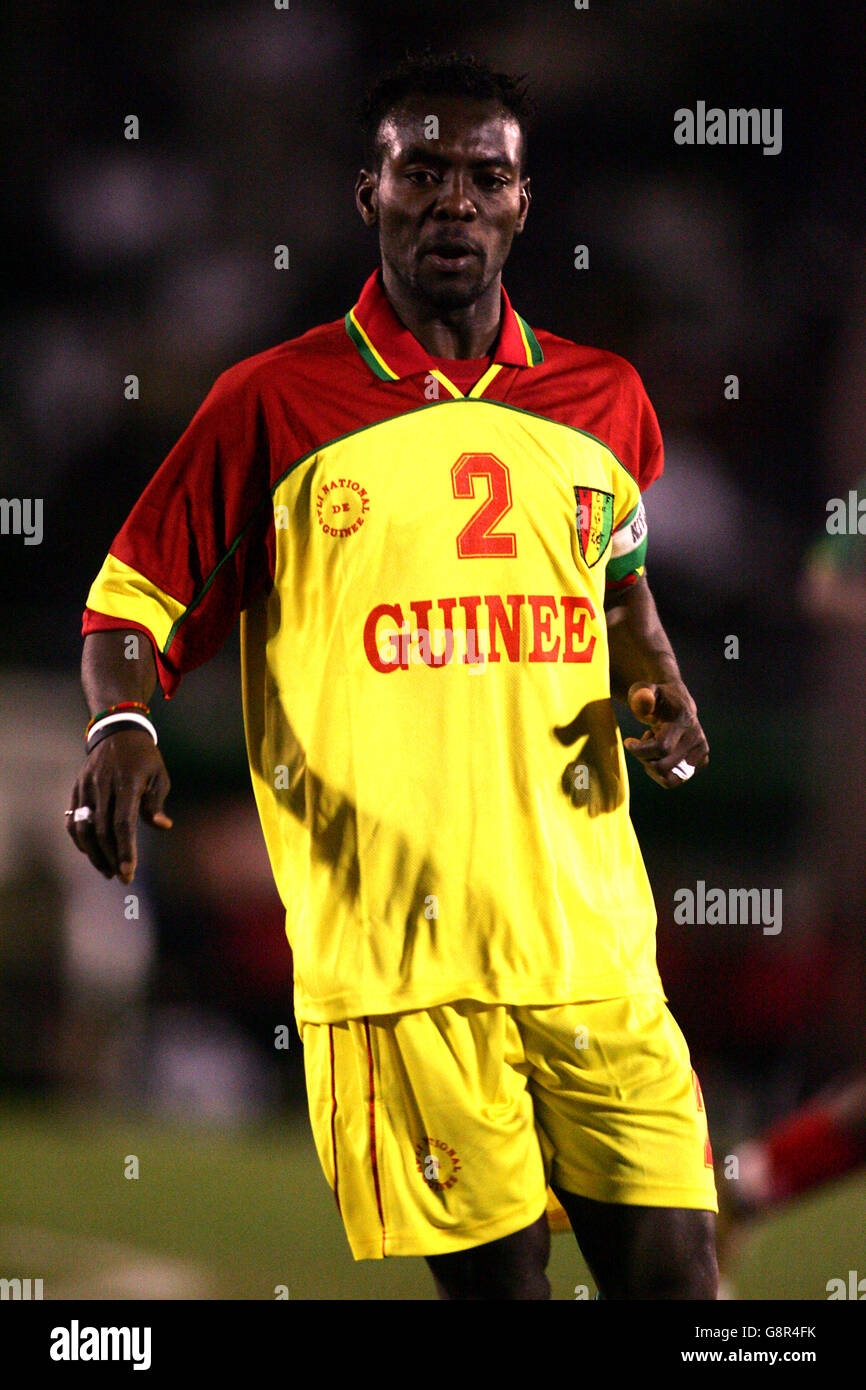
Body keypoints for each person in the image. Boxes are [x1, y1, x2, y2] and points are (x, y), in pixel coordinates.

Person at [67, 52, 717, 1300]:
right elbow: (127, 601)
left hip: (592, 944)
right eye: (422, 170)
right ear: (367, 190)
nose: (454, 200)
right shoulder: (271, 404)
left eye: (487, 175)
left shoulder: (606, 400)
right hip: (399, 969)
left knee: (684, 1280)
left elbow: (621, 592)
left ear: (525, 203)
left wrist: (657, 688)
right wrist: (123, 723)